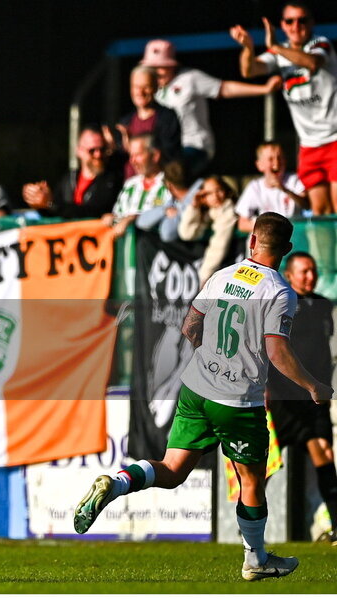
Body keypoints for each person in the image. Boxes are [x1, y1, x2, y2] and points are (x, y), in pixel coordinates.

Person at [74, 213, 333, 581]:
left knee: (173, 468)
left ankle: (115, 483)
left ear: (252, 241)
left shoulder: (222, 276)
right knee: (252, 481)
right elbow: (276, 352)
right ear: (287, 250)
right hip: (237, 401)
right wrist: (313, 386)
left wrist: (209, 357)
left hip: (196, 388)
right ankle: (255, 559)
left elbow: (190, 325)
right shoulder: (279, 291)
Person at [232, 3, 337, 215]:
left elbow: (312, 63)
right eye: (290, 21)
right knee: (320, 211)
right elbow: (249, 70)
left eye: (302, 20)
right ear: (282, 24)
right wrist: (248, 48)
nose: (295, 26)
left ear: (312, 23)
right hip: (309, 145)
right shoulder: (278, 53)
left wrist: (276, 46)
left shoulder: (321, 44)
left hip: (334, 138)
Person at [267, 252, 337, 544]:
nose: (310, 276)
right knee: (264, 467)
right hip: (283, 399)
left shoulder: (322, 306)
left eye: (312, 271)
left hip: (314, 397)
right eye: (304, 271)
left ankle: (335, 526)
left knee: (325, 453)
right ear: (291, 274)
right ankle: (248, 525)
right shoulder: (281, 303)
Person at [141, 39, 281, 176]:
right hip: (167, 149)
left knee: (174, 170)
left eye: (161, 66)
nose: (156, 72)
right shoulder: (150, 91)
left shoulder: (190, 78)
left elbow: (225, 88)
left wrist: (264, 89)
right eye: (152, 68)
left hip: (194, 146)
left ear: (172, 65)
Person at [22, 126, 123, 219]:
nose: (98, 154)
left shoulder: (110, 180)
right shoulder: (68, 179)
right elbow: (54, 213)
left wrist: (51, 204)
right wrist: (39, 202)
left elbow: (94, 212)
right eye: (92, 150)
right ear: (79, 150)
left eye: (102, 149)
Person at [114, 66, 182, 178]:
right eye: (136, 87)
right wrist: (114, 149)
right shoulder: (125, 122)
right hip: (131, 187)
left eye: (146, 87)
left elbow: (171, 155)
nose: (140, 92)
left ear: (156, 87)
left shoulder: (167, 118)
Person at [177, 175, 240, 285]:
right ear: (204, 198)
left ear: (225, 190)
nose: (216, 196)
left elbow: (218, 246)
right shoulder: (208, 213)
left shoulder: (228, 210)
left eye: (219, 190)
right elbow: (186, 233)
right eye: (209, 193)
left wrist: (204, 277)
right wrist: (194, 207)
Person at [235, 142, 309, 233]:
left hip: (294, 236)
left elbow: (307, 205)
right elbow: (242, 224)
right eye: (270, 159)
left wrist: (285, 190)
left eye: (280, 158)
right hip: (267, 240)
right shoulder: (255, 187)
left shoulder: (294, 180)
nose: (276, 163)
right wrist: (269, 228)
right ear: (260, 165)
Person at [107, 135, 172, 237]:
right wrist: (111, 219)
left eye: (137, 155)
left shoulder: (170, 185)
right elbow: (117, 216)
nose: (132, 161)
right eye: (131, 155)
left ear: (155, 155)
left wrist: (134, 218)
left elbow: (168, 217)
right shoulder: (130, 185)